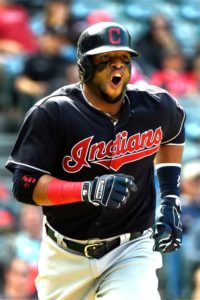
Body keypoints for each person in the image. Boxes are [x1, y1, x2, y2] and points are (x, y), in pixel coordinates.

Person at [5, 22, 185, 300]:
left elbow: (174, 132)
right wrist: (87, 190)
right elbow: (24, 185)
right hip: (65, 255)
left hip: (130, 249)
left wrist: (171, 199)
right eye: (106, 60)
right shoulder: (53, 112)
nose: (117, 68)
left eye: (123, 60)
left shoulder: (154, 106)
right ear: (84, 68)